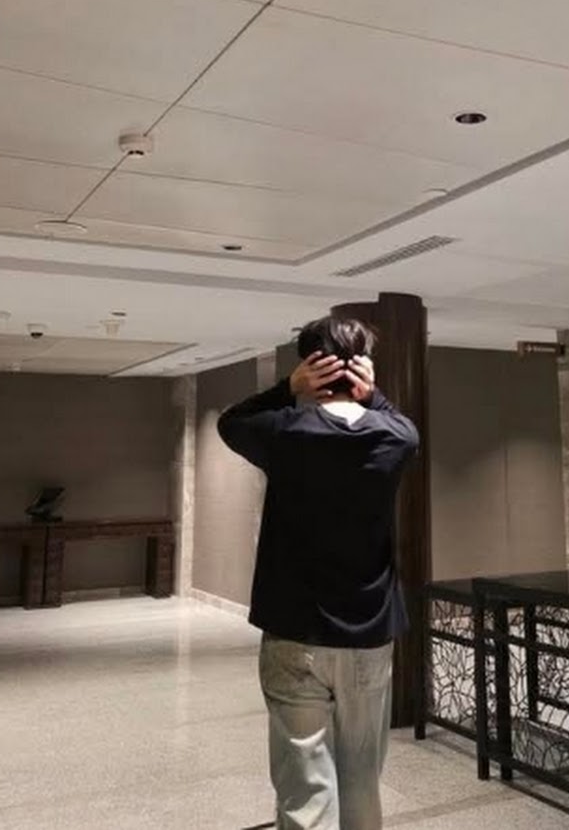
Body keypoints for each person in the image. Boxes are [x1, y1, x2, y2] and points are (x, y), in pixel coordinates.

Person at [217, 316, 419, 830]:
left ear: (310, 366)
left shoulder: (285, 432)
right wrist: (374, 396)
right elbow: (404, 425)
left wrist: (289, 387)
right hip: (369, 635)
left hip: (296, 632)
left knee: (306, 790)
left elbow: (232, 422)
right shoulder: (393, 436)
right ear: (362, 368)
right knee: (362, 780)